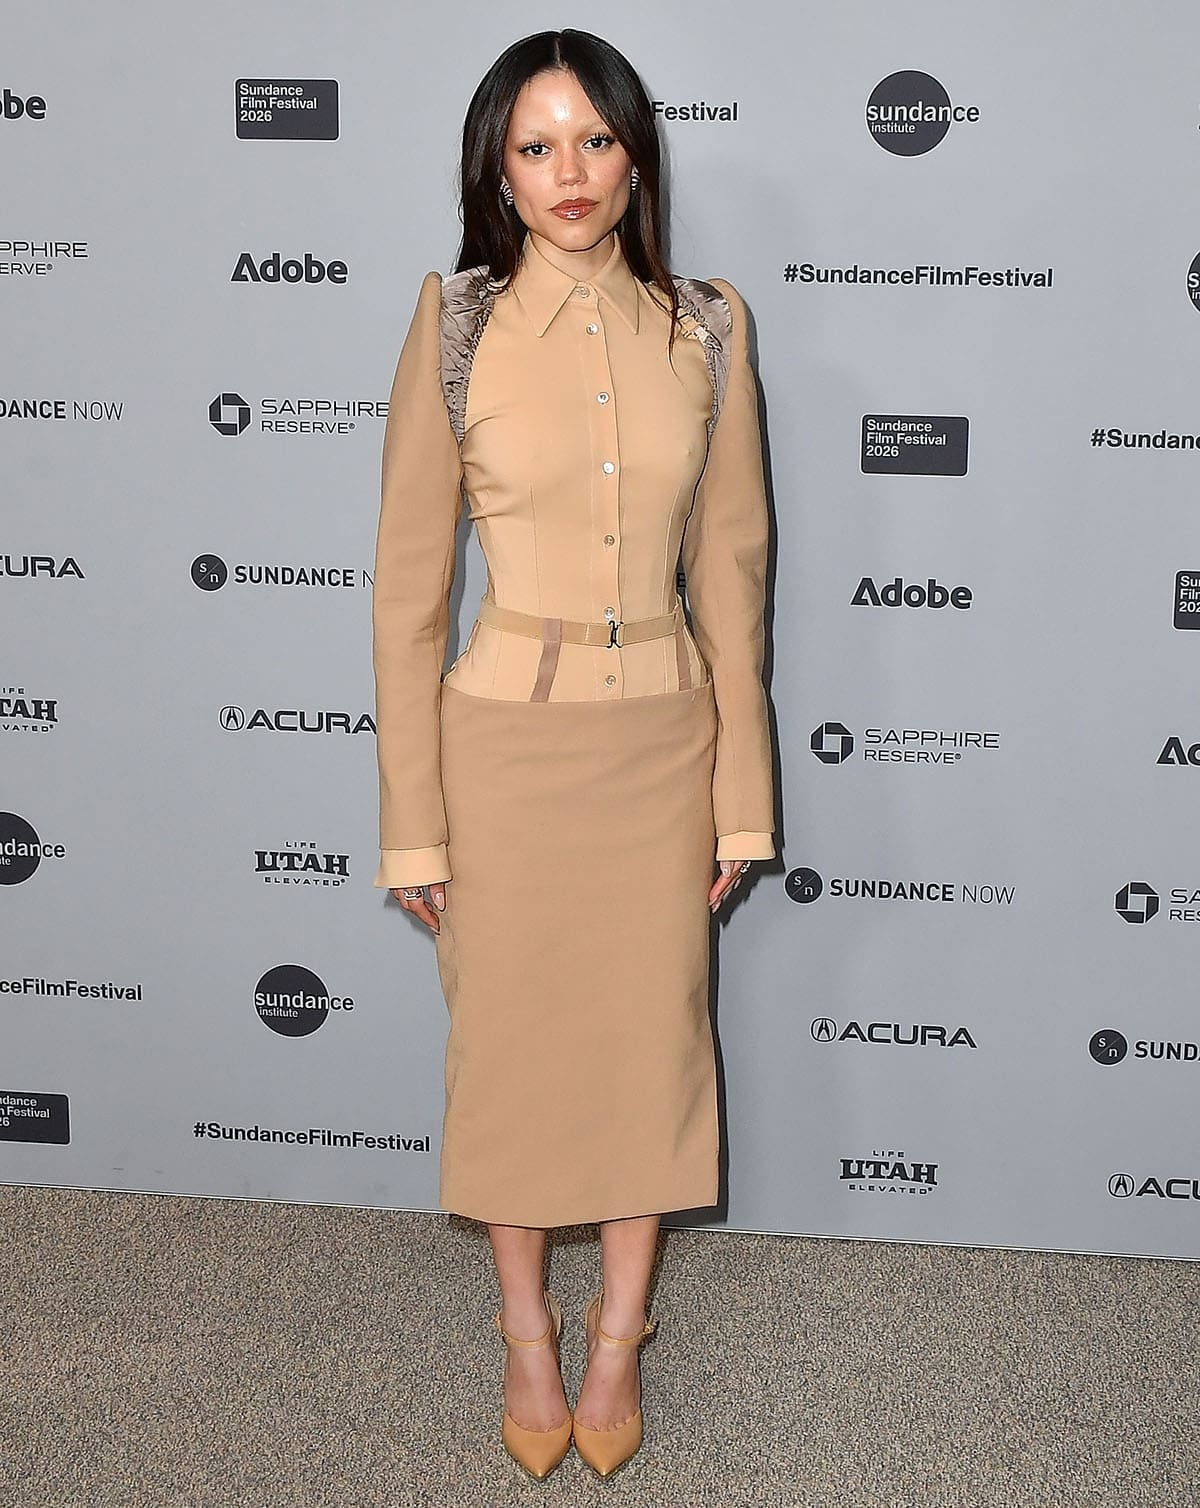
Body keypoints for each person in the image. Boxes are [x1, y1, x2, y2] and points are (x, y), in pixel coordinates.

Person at [370, 28, 775, 1480]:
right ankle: (527, 1334)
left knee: (648, 1047)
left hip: (663, 745)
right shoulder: (456, 322)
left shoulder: (707, 327)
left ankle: (619, 1338)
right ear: (497, 167)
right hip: (503, 753)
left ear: (636, 155)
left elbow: (732, 579)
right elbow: (408, 593)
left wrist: (742, 801)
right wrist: (414, 825)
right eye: (536, 145)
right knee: (515, 1051)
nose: (570, 172)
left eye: (596, 139)